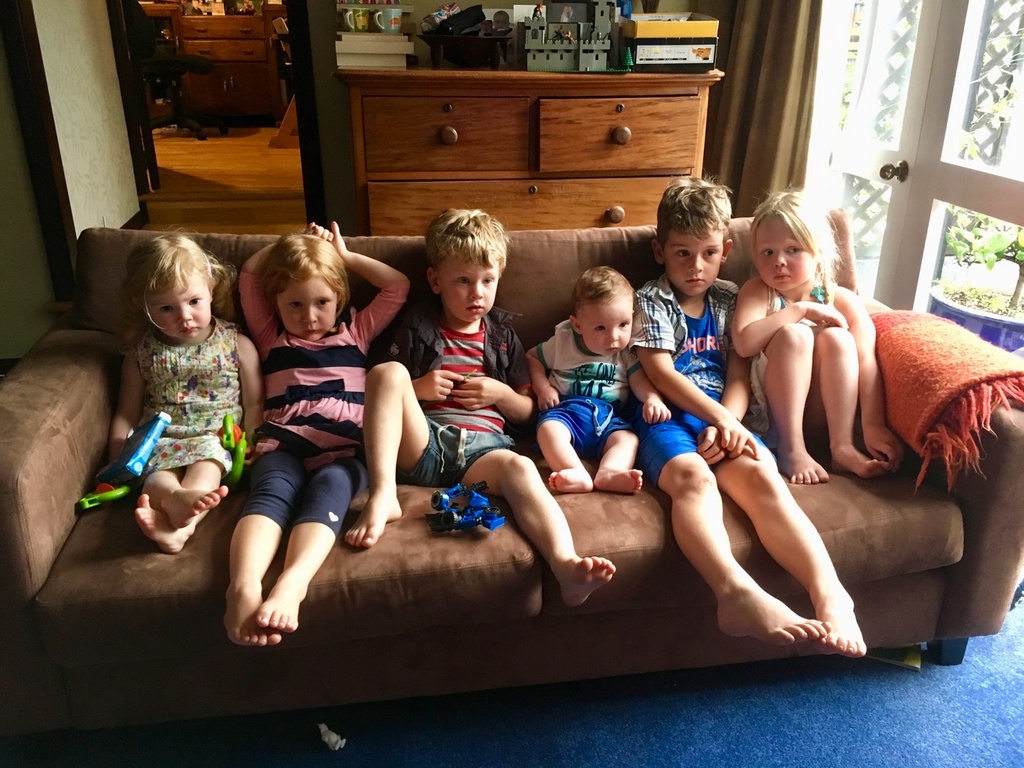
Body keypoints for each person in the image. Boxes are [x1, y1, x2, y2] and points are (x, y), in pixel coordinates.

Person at [631, 178, 866, 657]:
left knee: (764, 480)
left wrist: (730, 423)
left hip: (724, 417)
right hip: (666, 417)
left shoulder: (729, 297)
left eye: (708, 253)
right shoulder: (650, 300)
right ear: (659, 252)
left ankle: (831, 593)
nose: (696, 267)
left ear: (726, 251)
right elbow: (660, 372)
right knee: (695, 480)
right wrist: (720, 418)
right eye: (682, 254)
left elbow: (738, 371)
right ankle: (735, 593)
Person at [358, 208, 616, 607]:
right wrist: (419, 388)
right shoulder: (417, 327)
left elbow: (529, 412)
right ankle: (382, 496)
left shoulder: (503, 338)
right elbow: (382, 396)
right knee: (387, 372)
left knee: (521, 468)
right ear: (435, 281)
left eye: (487, 280)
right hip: (424, 444)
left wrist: (500, 394)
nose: (477, 293)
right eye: (463, 281)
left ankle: (566, 564)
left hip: (483, 452)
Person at [224, 222, 409, 646]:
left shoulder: (357, 332)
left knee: (331, 489)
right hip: (283, 443)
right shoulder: (270, 337)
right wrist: (292, 242)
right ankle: (243, 586)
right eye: (294, 304)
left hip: (345, 449)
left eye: (322, 302)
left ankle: (293, 583)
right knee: (271, 493)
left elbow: (397, 286)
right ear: (276, 303)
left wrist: (345, 257)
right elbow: (249, 275)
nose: (308, 317)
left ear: (339, 299)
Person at [731, 190, 904, 484]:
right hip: (775, 415)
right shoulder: (758, 291)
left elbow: (866, 360)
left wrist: (873, 425)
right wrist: (799, 310)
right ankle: (792, 448)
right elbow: (744, 344)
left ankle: (842, 447)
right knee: (795, 335)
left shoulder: (842, 299)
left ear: (818, 251)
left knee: (839, 339)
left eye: (792, 250)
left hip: (826, 412)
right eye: (767, 252)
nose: (779, 261)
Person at [109, 234, 263, 554]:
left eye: (194, 301)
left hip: (214, 437)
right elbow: (126, 411)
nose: (184, 316)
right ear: (144, 306)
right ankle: (174, 501)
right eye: (167, 308)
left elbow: (255, 401)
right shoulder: (141, 353)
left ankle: (181, 523)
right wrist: (118, 452)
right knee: (155, 474)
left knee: (207, 466)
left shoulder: (236, 343)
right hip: (160, 437)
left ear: (211, 289)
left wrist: (253, 437)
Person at [527, 266, 670, 494]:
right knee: (548, 430)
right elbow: (532, 357)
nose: (614, 337)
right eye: (601, 328)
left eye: (623, 325)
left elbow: (639, 381)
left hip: (609, 419)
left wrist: (652, 399)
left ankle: (610, 472)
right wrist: (543, 388)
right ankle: (573, 470)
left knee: (628, 439)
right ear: (578, 325)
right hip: (566, 413)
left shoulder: (626, 353)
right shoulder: (563, 342)